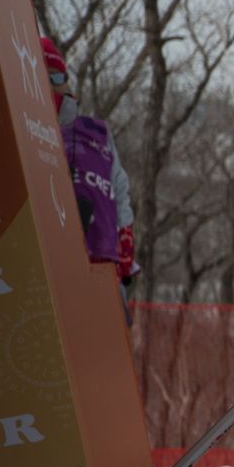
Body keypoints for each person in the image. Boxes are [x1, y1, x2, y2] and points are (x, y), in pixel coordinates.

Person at [45, 37, 138, 290]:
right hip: (51, 263)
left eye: (58, 78)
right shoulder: (28, 128)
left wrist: (125, 245)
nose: (54, 85)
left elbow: (118, 189)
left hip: (103, 261)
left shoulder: (96, 131)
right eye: (46, 77)